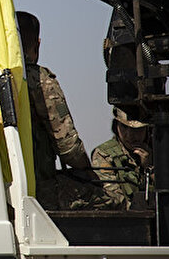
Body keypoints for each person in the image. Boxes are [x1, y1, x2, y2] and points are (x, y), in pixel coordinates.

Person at [16, 11, 108, 209]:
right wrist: (89, 172)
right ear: (37, 44)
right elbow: (69, 147)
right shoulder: (40, 81)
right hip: (36, 191)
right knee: (110, 200)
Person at [92, 107, 153, 210]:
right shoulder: (105, 154)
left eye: (137, 130)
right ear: (116, 126)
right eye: (124, 127)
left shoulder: (160, 152)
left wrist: (150, 167)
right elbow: (113, 199)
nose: (130, 135)